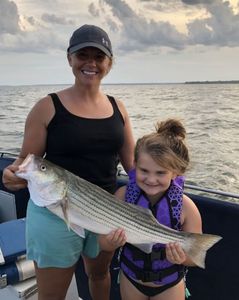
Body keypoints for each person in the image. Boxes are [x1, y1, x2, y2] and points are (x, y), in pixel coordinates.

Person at [2, 24, 135, 300]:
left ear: (109, 62)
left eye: (98, 57)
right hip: (54, 214)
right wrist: (12, 176)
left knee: (99, 275)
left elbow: (134, 166)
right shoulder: (46, 107)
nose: (91, 63)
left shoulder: (119, 108)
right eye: (82, 55)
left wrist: (171, 189)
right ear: (69, 59)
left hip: (104, 212)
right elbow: (25, 163)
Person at [115, 119, 202, 300]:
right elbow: (103, 243)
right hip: (130, 277)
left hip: (169, 284)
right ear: (134, 165)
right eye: (144, 170)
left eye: (160, 173)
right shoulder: (123, 196)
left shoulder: (187, 208)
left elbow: (194, 258)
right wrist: (111, 242)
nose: (151, 179)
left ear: (176, 172)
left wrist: (181, 258)